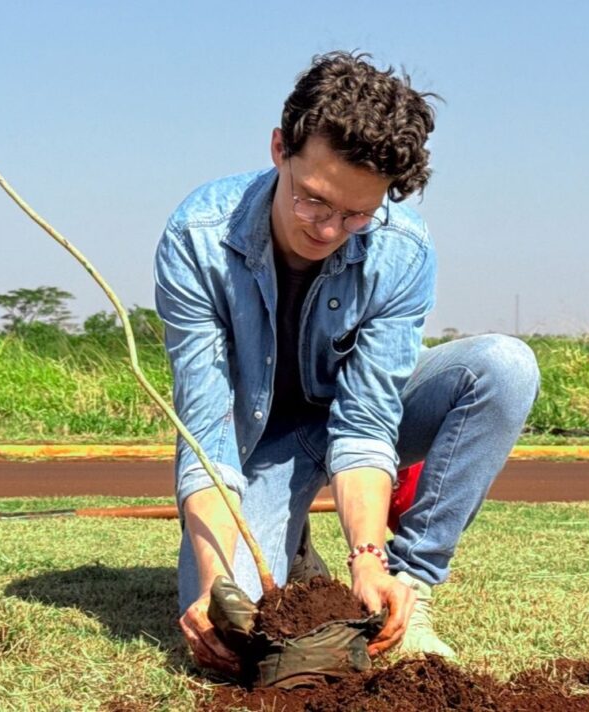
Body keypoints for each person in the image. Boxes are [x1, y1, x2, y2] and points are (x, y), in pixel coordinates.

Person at [154, 51, 540, 674]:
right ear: (279, 149)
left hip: (347, 420)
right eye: (314, 201)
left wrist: (369, 557)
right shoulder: (196, 238)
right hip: (258, 447)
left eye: (358, 213)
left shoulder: (402, 249)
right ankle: (289, 541)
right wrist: (211, 584)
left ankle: (409, 590)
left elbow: (365, 423)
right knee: (237, 628)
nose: (330, 230)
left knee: (505, 367)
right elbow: (208, 432)